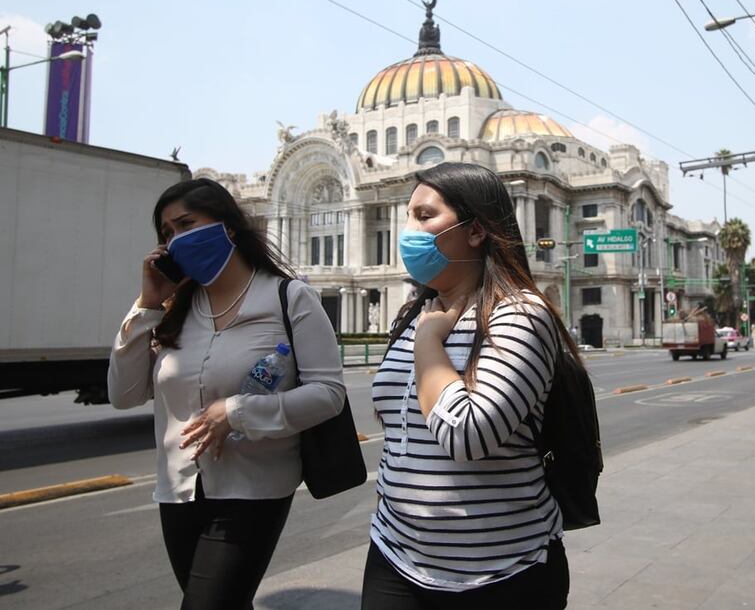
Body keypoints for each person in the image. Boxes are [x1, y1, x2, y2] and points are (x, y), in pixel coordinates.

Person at [108, 178, 347, 609]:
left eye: (186, 224)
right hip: (178, 491)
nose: (177, 239)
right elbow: (124, 395)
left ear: (228, 227)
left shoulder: (288, 298)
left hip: (253, 490)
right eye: (167, 233)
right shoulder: (176, 310)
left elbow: (328, 393)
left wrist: (236, 412)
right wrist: (146, 305)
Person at [362, 163, 573, 609]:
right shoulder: (420, 311)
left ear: (475, 231)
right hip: (395, 558)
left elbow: (467, 434)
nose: (408, 232)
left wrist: (428, 341)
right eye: (408, 217)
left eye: (425, 216)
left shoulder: (518, 314)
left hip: (500, 572)